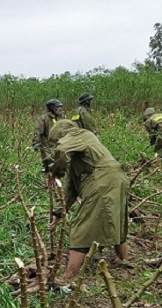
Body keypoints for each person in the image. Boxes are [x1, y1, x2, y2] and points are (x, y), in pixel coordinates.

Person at [48, 120, 129, 279]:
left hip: (102, 183)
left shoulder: (78, 134)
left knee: (80, 230)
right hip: (118, 180)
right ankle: (125, 263)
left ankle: (69, 276)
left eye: (56, 141)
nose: (56, 145)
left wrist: (55, 172)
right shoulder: (79, 150)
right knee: (117, 222)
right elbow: (70, 188)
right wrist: (57, 213)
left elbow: (62, 150)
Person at [33, 99, 64, 170]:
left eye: (60, 107)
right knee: (49, 166)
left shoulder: (61, 117)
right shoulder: (44, 118)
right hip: (47, 147)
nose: (60, 109)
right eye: (58, 107)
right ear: (52, 108)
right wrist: (35, 143)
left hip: (59, 145)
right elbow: (38, 131)